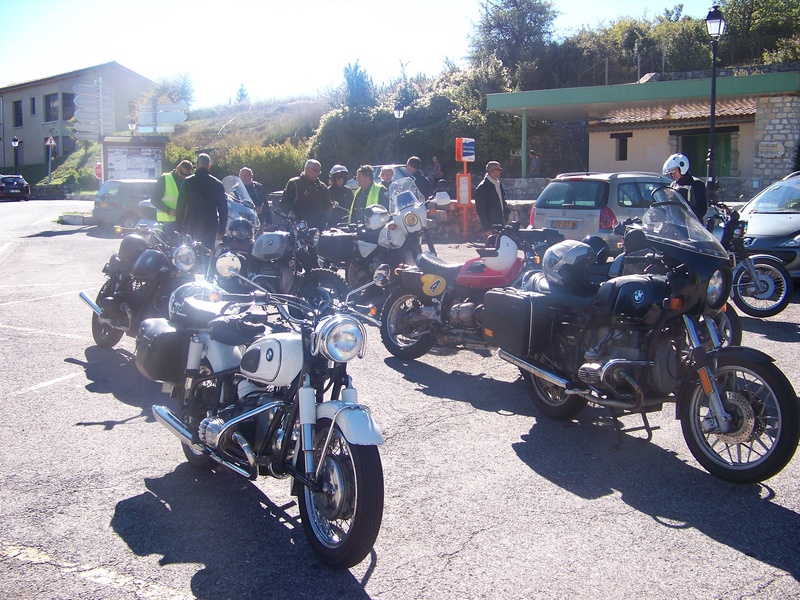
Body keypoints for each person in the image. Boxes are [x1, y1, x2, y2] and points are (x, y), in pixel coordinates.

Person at [175, 153, 227, 249]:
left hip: (191, 223)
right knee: (208, 252)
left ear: (197, 164)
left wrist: (179, 226)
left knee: (190, 253)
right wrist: (221, 230)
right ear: (209, 166)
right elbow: (223, 209)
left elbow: (180, 206)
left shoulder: (188, 182)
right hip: (210, 224)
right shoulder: (217, 184)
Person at [279, 159, 333, 230]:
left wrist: (324, 219)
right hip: (297, 225)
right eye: (315, 170)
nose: (317, 173)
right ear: (307, 169)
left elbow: (328, 205)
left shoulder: (322, 187)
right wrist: (290, 213)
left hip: (317, 227)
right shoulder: (294, 183)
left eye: (319, 171)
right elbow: (284, 202)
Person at [662, 153, 707, 222]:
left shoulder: (696, 184)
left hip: (690, 228)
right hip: (675, 225)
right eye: (670, 172)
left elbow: (701, 209)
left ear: (682, 168)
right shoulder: (673, 185)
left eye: (674, 171)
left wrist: (689, 221)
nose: (672, 175)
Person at [151, 160, 193, 231]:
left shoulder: (188, 181)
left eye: (186, 175)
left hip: (184, 221)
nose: (183, 177)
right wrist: (169, 211)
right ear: (177, 168)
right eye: (182, 173)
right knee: (171, 242)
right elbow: (154, 200)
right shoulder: (164, 179)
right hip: (168, 221)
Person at [474, 161, 509, 238]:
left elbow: (502, 202)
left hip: (501, 224)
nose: (500, 172)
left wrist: (506, 217)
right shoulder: (482, 188)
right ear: (493, 171)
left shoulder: (498, 184)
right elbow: (481, 211)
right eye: (499, 169)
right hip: (491, 227)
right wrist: (487, 229)